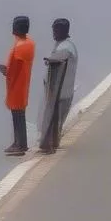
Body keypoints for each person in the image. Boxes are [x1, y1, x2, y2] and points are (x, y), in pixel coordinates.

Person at [0, 15, 36, 156]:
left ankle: (20, 144)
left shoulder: (18, 49)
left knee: (17, 116)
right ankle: (18, 142)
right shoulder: (30, 43)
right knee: (19, 115)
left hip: (16, 86)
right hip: (24, 84)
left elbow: (9, 71)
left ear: (14, 29)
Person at [38, 18, 78, 154]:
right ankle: (52, 143)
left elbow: (59, 60)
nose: (53, 33)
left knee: (53, 119)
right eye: (53, 30)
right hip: (59, 92)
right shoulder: (64, 44)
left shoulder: (65, 47)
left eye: (56, 30)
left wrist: (50, 61)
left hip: (60, 93)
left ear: (63, 31)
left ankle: (48, 145)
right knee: (55, 121)